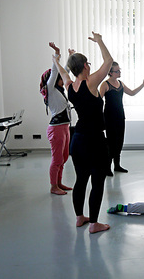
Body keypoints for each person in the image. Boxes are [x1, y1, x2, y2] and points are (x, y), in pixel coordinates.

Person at [52, 31, 113, 234]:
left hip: (78, 140)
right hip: (95, 141)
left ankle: (80, 218)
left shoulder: (70, 86)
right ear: (85, 66)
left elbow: (63, 72)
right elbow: (109, 61)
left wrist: (57, 59)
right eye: (87, 63)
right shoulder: (91, 83)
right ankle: (94, 224)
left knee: (80, 179)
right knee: (97, 182)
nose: (90, 65)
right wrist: (100, 41)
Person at [99, 62, 144, 173]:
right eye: (117, 71)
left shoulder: (120, 83)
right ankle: (107, 167)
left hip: (120, 116)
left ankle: (117, 165)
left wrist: (143, 84)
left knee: (119, 141)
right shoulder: (105, 84)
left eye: (119, 70)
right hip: (109, 117)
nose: (119, 72)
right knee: (111, 141)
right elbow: (99, 100)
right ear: (110, 73)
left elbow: (132, 93)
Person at [40, 43, 73, 195]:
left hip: (64, 127)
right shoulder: (51, 90)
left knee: (64, 157)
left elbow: (64, 72)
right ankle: (54, 186)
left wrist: (71, 57)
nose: (63, 78)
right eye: (60, 77)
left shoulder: (59, 91)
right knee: (57, 159)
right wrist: (57, 54)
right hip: (56, 128)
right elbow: (56, 72)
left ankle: (59, 183)